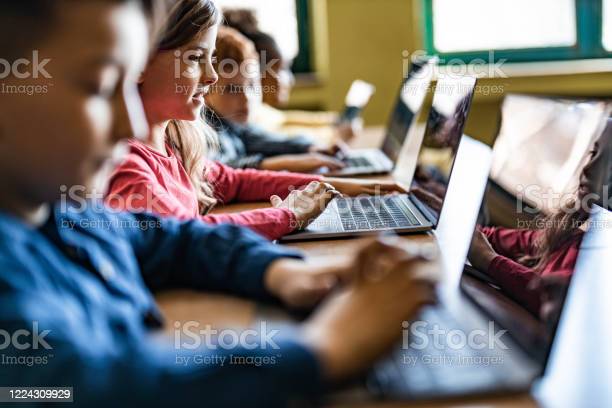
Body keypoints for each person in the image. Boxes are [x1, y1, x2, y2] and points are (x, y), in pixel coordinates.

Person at [0, 1, 436, 406]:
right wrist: (323, 349)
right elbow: (94, 389)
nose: (131, 121)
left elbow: (170, 240)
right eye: (101, 86)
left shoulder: (61, 212)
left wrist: (283, 272)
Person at [107, 2, 405, 241]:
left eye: (211, 59)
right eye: (195, 58)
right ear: (138, 62)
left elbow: (235, 181)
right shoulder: (125, 164)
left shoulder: (174, 142)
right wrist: (288, 215)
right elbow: (188, 238)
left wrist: (334, 186)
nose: (211, 77)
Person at [468, 124, 611, 316]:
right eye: (593, 154)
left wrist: (489, 261)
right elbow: (501, 239)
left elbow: (558, 300)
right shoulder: (571, 237)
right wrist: (456, 220)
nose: (588, 169)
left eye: (608, 164)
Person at [205, 26, 346, 172]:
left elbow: (266, 140)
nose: (246, 98)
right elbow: (219, 172)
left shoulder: (234, 124)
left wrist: (312, 147)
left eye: (252, 85)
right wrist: (287, 164)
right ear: (204, 89)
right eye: (232, 89)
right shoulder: (203, 130)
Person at [223, 8, 359, 144]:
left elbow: (284, 120)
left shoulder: (260, 111)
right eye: (281, 69)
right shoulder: (242, 117)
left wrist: (336, 121)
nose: (290, 79)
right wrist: (335, 136)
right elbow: (283, 141)